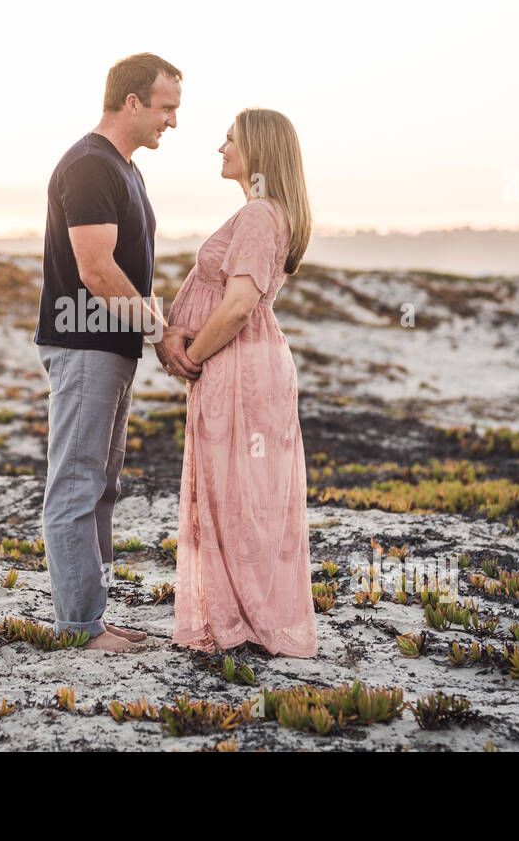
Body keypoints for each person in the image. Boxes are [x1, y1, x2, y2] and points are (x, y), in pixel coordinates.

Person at [34, 53, 197, 653]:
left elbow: (129, 272)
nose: (172, 123)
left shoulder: (125, 169)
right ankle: (79, 627)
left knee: (103, 486)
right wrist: (159, 333)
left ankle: (93, 617)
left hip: (111, 348)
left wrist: (155, 329)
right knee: (76, 485)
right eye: (166, 108)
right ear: (132, 102)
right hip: (83, 346)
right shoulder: (89, 167)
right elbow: (99, 272)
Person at [163, 108, 318, 658]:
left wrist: (191, 357)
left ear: (257, 150)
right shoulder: (266, 214)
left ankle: (246, 621)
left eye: (230, 138)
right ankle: (247, 618)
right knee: (244, 492)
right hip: (249, 363)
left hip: (238, 365)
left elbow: (236, 307)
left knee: (238, 493)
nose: (221, 147)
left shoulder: (258, 217)